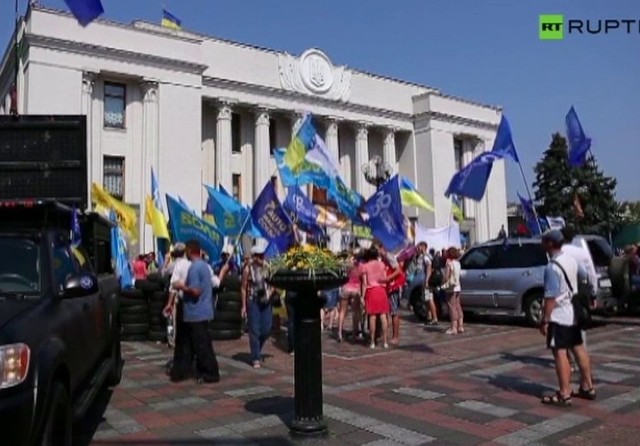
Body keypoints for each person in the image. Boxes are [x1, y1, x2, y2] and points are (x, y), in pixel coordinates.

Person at [540, 230, 595, 407]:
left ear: (549, 244)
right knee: (579, 348)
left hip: (559, 315)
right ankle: (588, 386)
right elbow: (583, 275)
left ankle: (564, 393)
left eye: (544, 241)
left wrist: (545, 319)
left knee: (560, 352)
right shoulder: (571, 260)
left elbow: (550, 296)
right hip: (573, 312)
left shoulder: (552, 266)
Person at [170, 240, 224, 383]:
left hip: (196, 312)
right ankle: (193, 370)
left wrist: (182, 286)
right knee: (195, 344)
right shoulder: (205, 266)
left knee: (202, 346)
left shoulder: (194, 268)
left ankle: (210, 373)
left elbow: (196, 290)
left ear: (189, 251)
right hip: (202, 311)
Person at [241, 240, 273, 369]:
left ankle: (257, 349)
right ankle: (255, 357)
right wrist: (243, 305)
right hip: (253, 300)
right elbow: (243, 287)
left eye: (262, 255)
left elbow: (274, 283)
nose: (260, 258)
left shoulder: (268, 267)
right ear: (254, 256)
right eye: (258, 255)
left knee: (266, 328)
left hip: (266, 300)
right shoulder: (248, 269)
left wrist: (270, 293)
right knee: (254, 329)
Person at [360, 246, 390, 349]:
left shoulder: (365, 266)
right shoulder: (382, 264)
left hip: (371, 291)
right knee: (383, 316)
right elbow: (385, 278)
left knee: (372, 317)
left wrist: (362, 297)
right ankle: (385, 341)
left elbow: (364, 283)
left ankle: (372, 341)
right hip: (381, 290)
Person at [376, 241, 404, 345]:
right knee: (386, 311)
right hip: (387, 287)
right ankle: (384, 335)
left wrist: (387, 279)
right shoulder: (383, 258)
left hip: (393, 286)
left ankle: (395, 336)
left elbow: (398, 270)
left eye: (378, 249)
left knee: (394, 312)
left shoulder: (389, 255)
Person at [337, 250, 363, 342]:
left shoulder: (348, 265)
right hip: (356, 289)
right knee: (355, 312)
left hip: (346, 288)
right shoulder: (361, 266)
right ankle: (354, 334)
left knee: (342, 311)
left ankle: (339, 332)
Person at [417, 242, 439, 326]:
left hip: (427, 282)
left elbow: (429, 268)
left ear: (423, 247)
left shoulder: (426, 257)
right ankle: (429, 317)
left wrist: (426, 281)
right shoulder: (425, 256)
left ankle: (434, 318)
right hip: (425, 281)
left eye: (419, 247)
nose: (418, 249)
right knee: (427, 300)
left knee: (429, 299)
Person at [444, 247, 463, 335]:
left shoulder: (449, 263)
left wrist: (443, 280)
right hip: (458, 286)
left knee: (451, 307)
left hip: (451, 287)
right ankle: (460, 326)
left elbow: (446, 276)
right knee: (458, 306)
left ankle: (453, 327)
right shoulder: (458, 263)